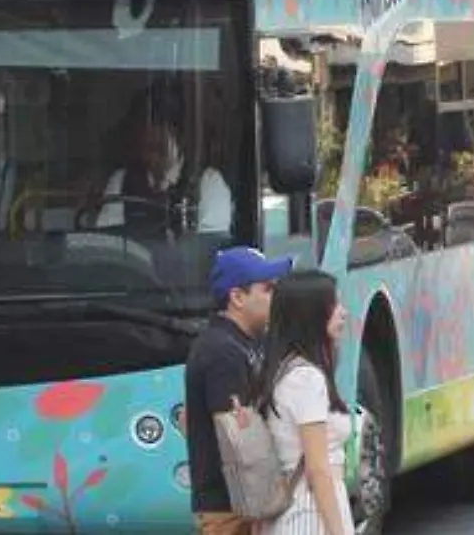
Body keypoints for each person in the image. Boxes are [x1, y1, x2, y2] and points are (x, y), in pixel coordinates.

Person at [186, 247, 292, 535]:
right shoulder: (222, 351)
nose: (275, 297)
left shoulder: (245, 342)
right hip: (232, 507)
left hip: (243, 503)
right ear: (237, 297)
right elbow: (238, 439)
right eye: (268, 289)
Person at [252, 270, 355, 535]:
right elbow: (318, 469)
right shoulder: (306, 379)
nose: (343, 313)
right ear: (311, 315)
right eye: (335, 306)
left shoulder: (284, 368)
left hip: (300, 508)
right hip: (311, 514)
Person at [90, 104, 233, 234]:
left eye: (159, 148)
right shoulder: (121, 181)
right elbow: (108, 237)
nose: (152, 157)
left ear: (180, 139)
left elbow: (209, 245)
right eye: (146, 148)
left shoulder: (209, 183)